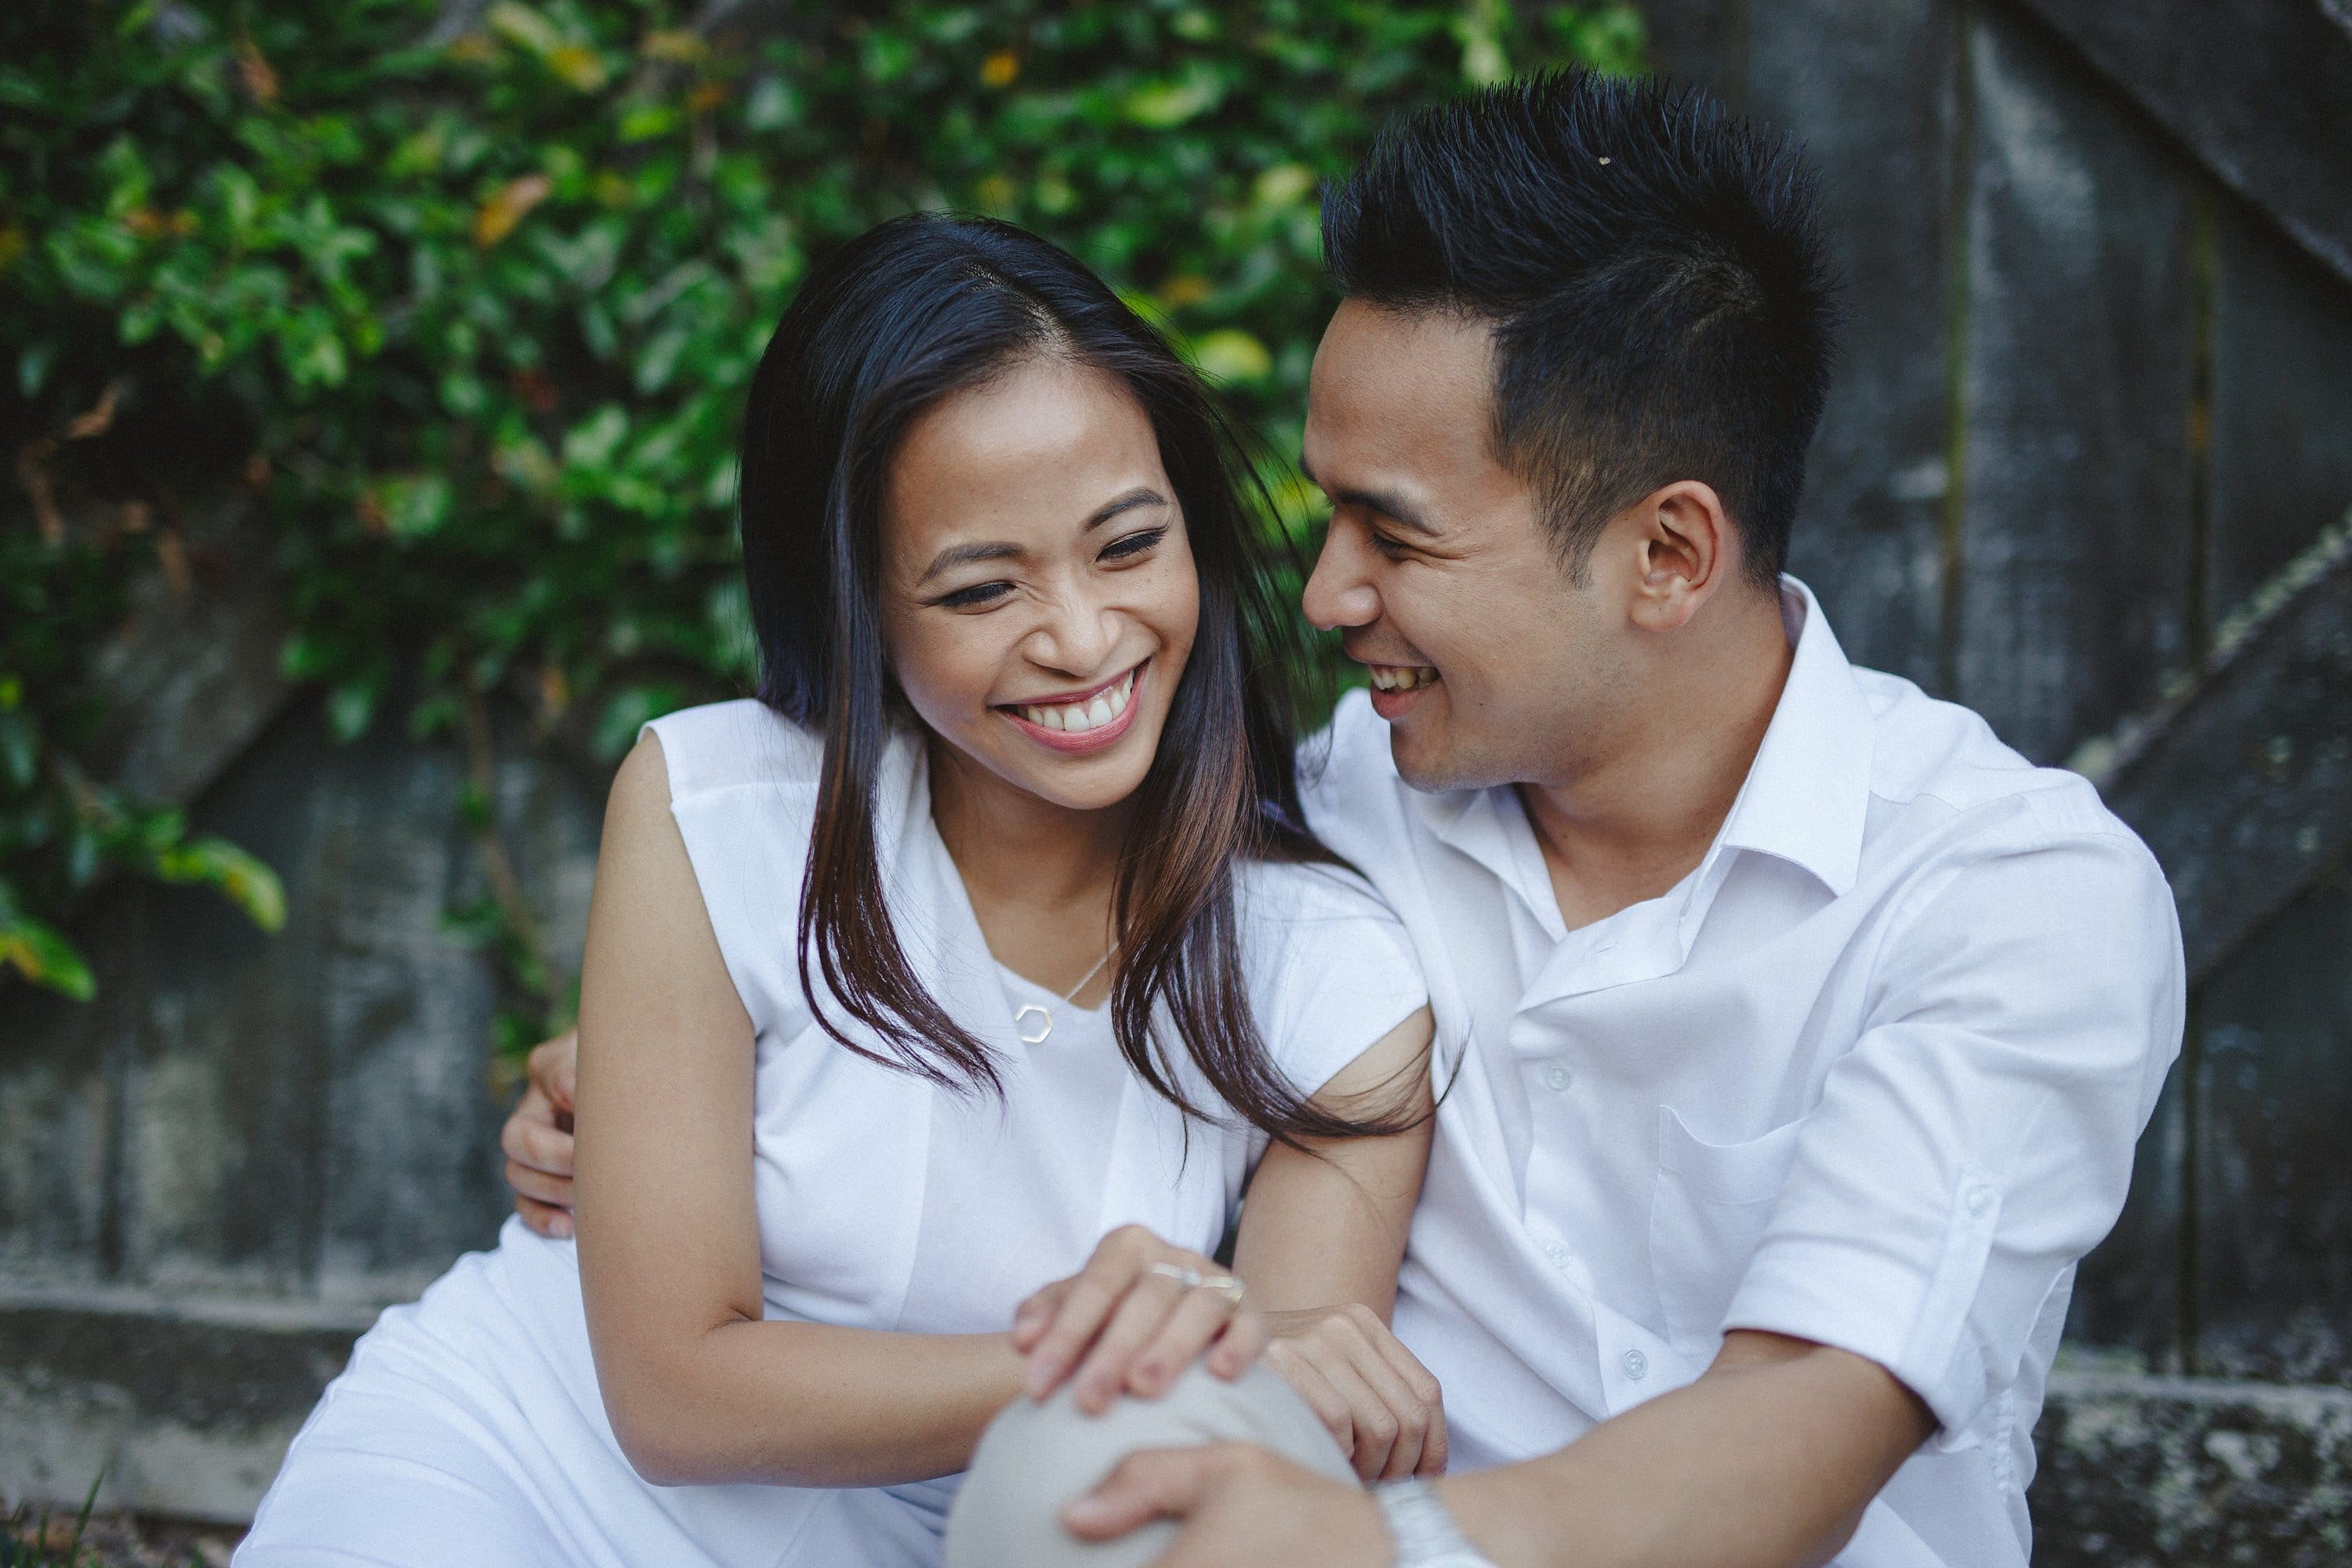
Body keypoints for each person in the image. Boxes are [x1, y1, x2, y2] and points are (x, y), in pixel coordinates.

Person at [504, 73, 2185, 1568]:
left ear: (1667, 554)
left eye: (1396, 534)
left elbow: (1810, 1424)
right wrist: (654, 1078)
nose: (1319, 592)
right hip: (1304, 1523)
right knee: (1102, 1457)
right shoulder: (1329, 814)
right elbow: (987, 972)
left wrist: (1377, 1545)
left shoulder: (2009, 898)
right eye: (1322, 515)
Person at [234, 212, 1443, 1568]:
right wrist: (1143, 1358)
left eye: (1126, 545)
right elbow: (676, 1398)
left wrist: (1216, 1368)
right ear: (859, 605)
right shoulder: (723, 808)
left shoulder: (1324, 970)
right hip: (531, 1465)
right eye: (982, 587)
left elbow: (1250, 1456)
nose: (1085, 637)